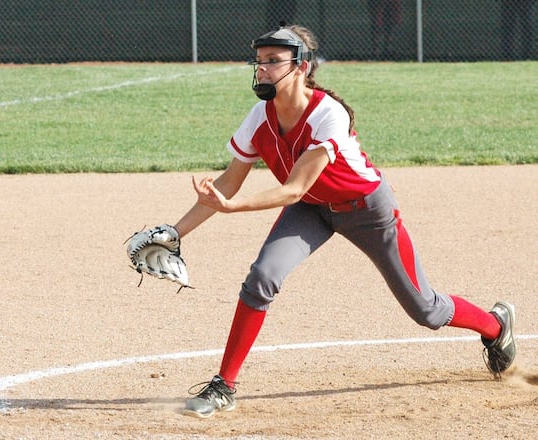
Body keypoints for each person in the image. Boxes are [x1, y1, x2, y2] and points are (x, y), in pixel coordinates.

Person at [161, 24, 517, 419]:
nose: (262, 69)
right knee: (262, 276)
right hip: (311, 210)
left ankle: (495, 327)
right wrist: (175, 232)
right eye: (260, 61)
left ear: (302, 67)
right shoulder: (259, 116)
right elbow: (228, 182)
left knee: (426, 310)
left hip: (367, 210)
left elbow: (293, 188)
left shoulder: (327, 113)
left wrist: (233, 206)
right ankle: (224, 385)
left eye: (273, 61)